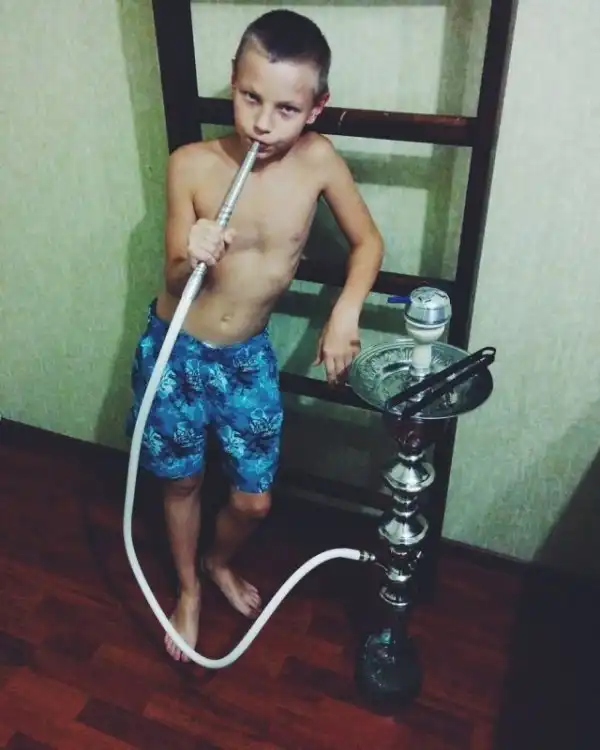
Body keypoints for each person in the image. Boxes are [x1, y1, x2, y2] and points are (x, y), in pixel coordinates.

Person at [127, 9, 384, 662]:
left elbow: (368, 242)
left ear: (316, 107)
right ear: (233, 84)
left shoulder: (318, 161)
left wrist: (346, 311)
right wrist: (191, 249)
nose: (263, 123)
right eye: (249, 98)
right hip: (177, 353)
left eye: (286, 109)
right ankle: (188, 590)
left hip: (245, 359)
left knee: (254, 501)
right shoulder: (190, 164)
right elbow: (174, 274)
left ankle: (217, 560)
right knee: (180, 483)